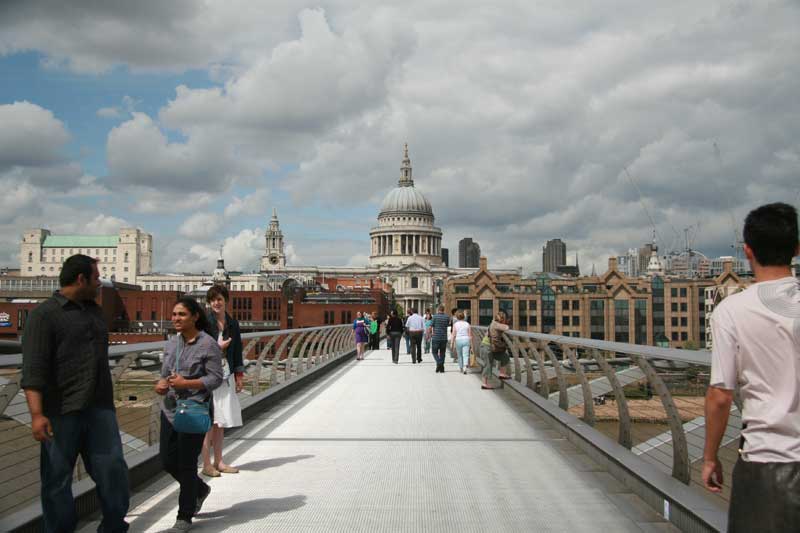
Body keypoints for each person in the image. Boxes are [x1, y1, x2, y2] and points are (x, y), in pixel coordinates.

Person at [702, 202, 800, 532]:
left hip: (767, 465)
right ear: (796, 249)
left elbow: (720, 395)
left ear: (747, 250)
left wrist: (710, 457)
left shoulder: (731, 311)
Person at [21, 254, 130, 533]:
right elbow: (33, 369)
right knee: (57, 481)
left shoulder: (94, 311)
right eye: (96, 278)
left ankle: (114, 527)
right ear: (80, 279)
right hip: (60, 412)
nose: (99, 282)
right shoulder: (44, 315)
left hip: (99, 408)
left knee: (113, 471)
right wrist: (36, 415)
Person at [155, 297, 223, 532]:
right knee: (167, 460)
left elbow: (215, 378)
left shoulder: (207, 344)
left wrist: (187, 383)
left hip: (194, 409)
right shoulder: (171, 343)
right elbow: (165, 373)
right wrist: (162, 383)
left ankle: (184, 516)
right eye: (174, 314)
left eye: (182, 314)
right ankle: (200, 489)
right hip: (171, 409)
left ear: (195, 316)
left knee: (186, 463)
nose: (176, 319)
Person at [201, 285, 243, 478]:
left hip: (226, 376)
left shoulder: (232, 323)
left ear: (226, 300)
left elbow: (237, 351)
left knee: (220, 421)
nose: (216, 303)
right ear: (209, 303)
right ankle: (206, 464)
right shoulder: (203, 322)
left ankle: (219, 461)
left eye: (220, 299)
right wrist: (217, 347)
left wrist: (239, 375)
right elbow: (198, 349)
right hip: (208, 375)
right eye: (213, 300)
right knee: (209, 421)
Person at [483, 311, 512, 389]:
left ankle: (502, 374)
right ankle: (484, 384)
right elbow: (507, 327)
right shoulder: (496, 324)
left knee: (504, 357)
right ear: (502, 319)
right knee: (488, 365)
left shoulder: (493, 323)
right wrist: (505, 324)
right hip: (487, 346)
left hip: (491, 346)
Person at [429, 305, 451, 373]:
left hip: (436, 337)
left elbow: (431, 326)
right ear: (443, 310)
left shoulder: (434, 317)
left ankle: (439, 363)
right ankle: (441, 367)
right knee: (442, 353)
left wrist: (430, 334)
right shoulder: (447, 317)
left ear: (438, 309)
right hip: (444, 337)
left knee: (434, 352)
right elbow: (448, 325)